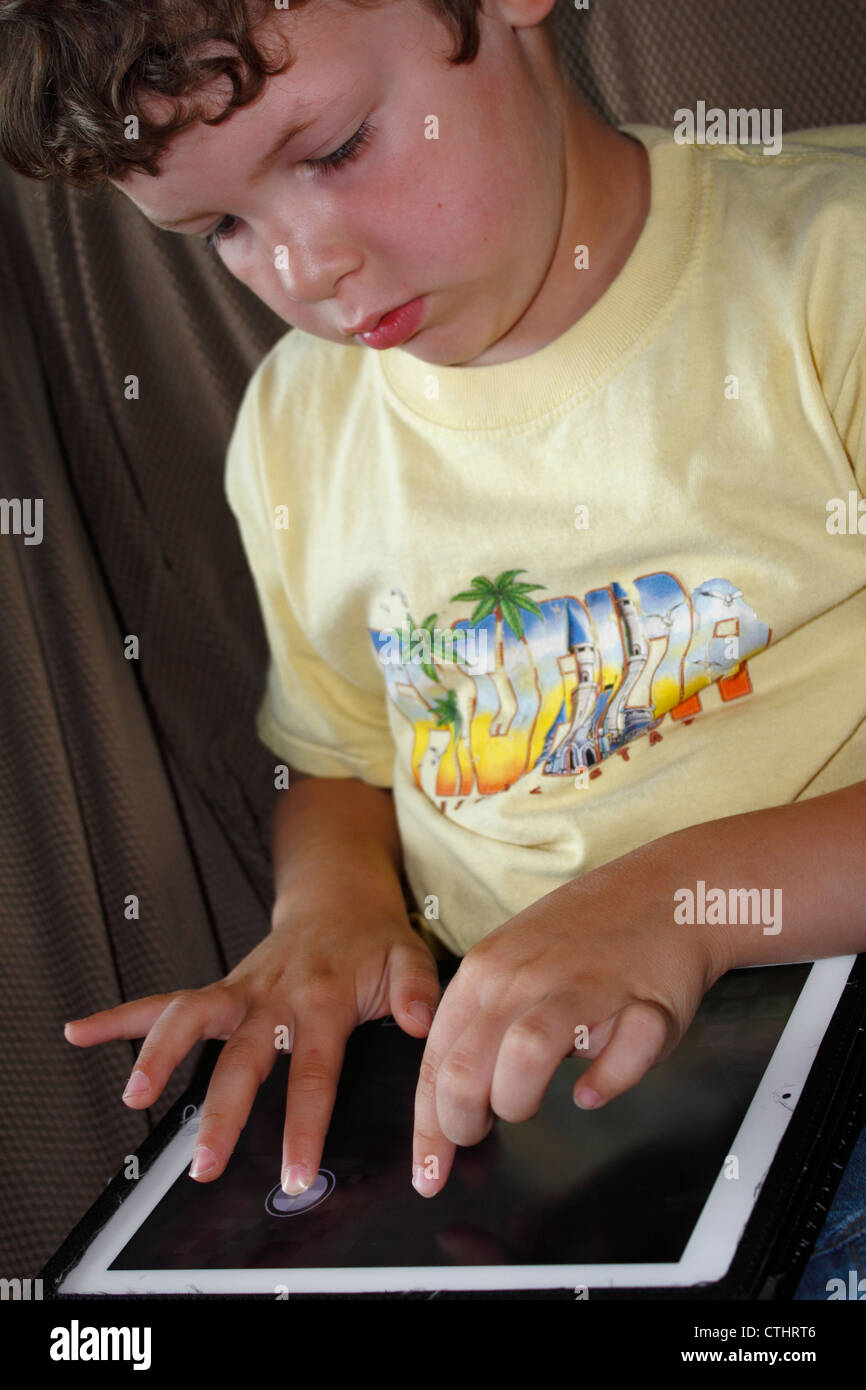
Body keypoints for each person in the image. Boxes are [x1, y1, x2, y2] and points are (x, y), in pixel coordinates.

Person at [2, 0, 864, 1296]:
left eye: (337, 147)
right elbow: (338, 754)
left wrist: (670, 904)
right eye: (222, 229)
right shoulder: (297, 430)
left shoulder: (826, 270)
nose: (305, 269)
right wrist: (332, 909)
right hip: (534, 1100)